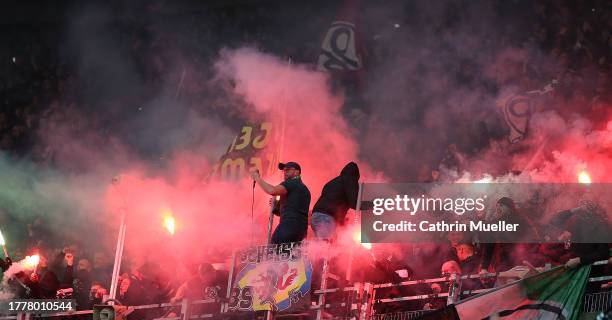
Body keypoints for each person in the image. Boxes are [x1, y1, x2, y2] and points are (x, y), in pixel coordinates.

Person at [251, 162, 311, 244]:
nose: (285, 172)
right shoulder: (304, 189)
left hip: (288, 225)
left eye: (288, 169)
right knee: (292, 254)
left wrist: (257, 178)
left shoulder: (291, 183)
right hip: (301, 229)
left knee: (275, 250)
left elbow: (271, 190)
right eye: (284, 170)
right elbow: (294, 210)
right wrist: (278, 206)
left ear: (297, 172)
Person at [311, 162, 360, 241]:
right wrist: (373, 205)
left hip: (316, 217)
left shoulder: (332, 182)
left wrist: (343, 223)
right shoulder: (350, 179)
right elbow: (354, 203)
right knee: (325, 248)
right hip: (326, 219)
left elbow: (335, 202)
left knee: (324, 247)